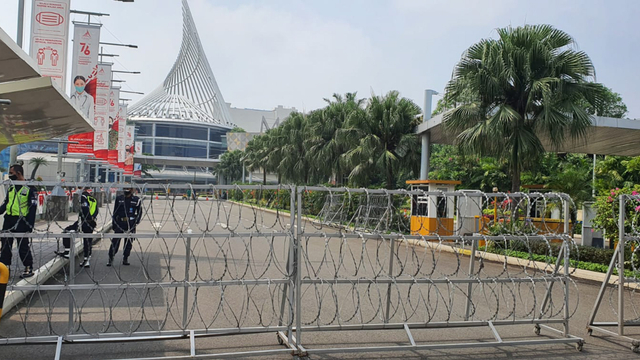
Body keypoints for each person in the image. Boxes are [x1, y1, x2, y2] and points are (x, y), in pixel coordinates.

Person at [0, 165, 37, 278]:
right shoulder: (11, 187)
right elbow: (7, 203)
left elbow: (33, 208)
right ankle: (5, 267)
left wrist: (30, 225)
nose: (10, 175)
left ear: (19, 173)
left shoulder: (30, 188)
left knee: (22, 245)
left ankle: (28, 267)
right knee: (5, 244)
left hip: (22, 220)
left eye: (12, 173)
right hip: (9, 219)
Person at [55, 187, 98, 267]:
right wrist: (92, 218)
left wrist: (86, 218)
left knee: (67, 231)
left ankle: (68, 251)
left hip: (83, 222)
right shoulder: (93, 199)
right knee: (88, 240)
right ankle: (87, 259)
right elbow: (96, 211)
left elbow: (85, 209)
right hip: (92, 222)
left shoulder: (83, 197)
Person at [108, 187, 142, 266]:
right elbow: (115, 212)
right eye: (125, 188)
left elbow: (139, 212)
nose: (127, 190)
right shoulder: (119, 199)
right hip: (120, 222)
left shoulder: (136, 200)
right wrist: (114, 223)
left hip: (130, 223)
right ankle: (111, 257)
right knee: (115, 241)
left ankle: (125, 258)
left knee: (128, 242)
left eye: (129, 188)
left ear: (132, 190)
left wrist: (136, 221)